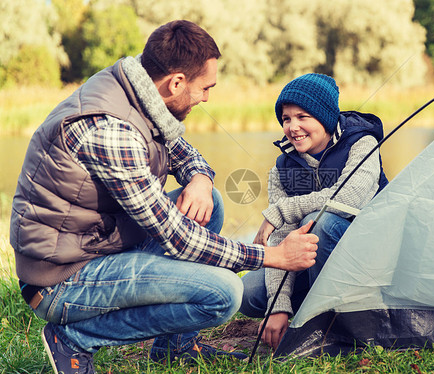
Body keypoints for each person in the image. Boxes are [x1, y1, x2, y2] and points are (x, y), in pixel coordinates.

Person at [10, 20, 318, 373]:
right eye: (205, 88)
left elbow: (183, 153)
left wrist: (201, 179)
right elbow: (178, 239)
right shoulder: (111, 131)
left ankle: (175, 347)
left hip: (95, 245)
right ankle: (74, 339)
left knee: (210, 202)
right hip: (61, 281)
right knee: (224, 294)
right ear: (176, 83)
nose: (206, 98)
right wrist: (273, 256)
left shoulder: (137, 91)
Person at [239, 73, 389, 349]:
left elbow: (350, 197)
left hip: (368, 259)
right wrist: (277, 306)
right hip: (312, 262)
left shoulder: (362, 142)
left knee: (318, 222)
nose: (293, 127)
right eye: (286, 119)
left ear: (325, 117)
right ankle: (305, 306)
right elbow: (280, 235)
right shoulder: (283, 166)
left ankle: (333, 321)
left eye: (302, 116)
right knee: (247, 293)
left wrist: (284, 209)